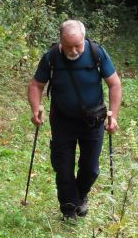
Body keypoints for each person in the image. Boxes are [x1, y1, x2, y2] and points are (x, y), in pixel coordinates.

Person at [28, 20, 121, 219]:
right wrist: (35, 109)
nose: (73, 50)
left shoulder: (97, 53)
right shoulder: (52, 57)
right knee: (63, 168)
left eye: (77, 45)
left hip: (93, 120)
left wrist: (114, 116)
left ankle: (81, 195)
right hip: (62, 120)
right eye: (68, 46)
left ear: (84, 39)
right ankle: (69, 209)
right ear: (60, 40)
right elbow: (36, 85)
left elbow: (114, 84)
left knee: (91, 168)